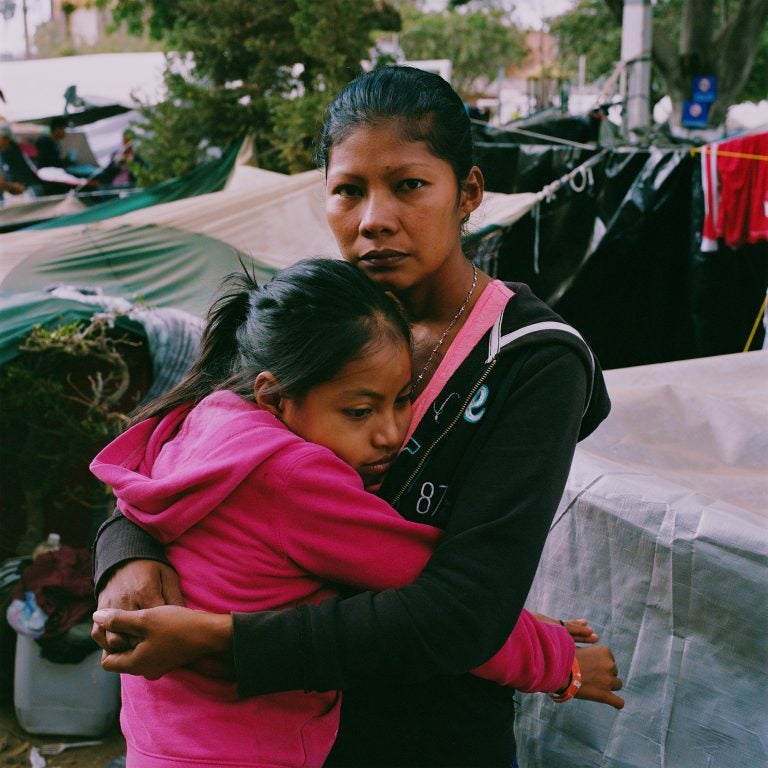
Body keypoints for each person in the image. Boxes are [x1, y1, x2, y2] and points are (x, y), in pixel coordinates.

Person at [92, 65, 623, 767]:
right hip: (265, 739)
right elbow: (176, 461)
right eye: (348, 191)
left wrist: (221, 639)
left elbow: (462, 613)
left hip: (425, 739)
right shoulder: (319, 322)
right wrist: (123, 557)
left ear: (468, 193)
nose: (374, 219)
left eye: (408, 185)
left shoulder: (534, 361)